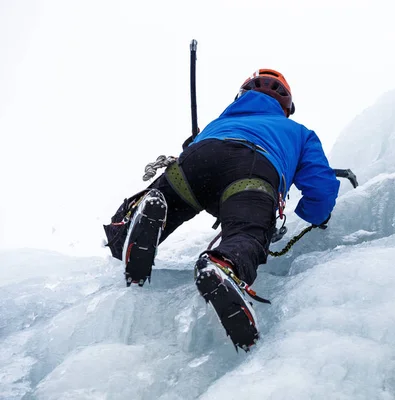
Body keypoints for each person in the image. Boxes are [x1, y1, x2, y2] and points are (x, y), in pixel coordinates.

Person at [103, 69, 340, 351]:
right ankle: (224, 264)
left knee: (159, 205)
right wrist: (317, 215)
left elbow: (193, 148)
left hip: (196, 160)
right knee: (247, 233)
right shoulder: (299, 133)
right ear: (286, 107)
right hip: (252, 169)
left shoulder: (219, 122)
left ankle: (139, 219)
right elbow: (322, 188)